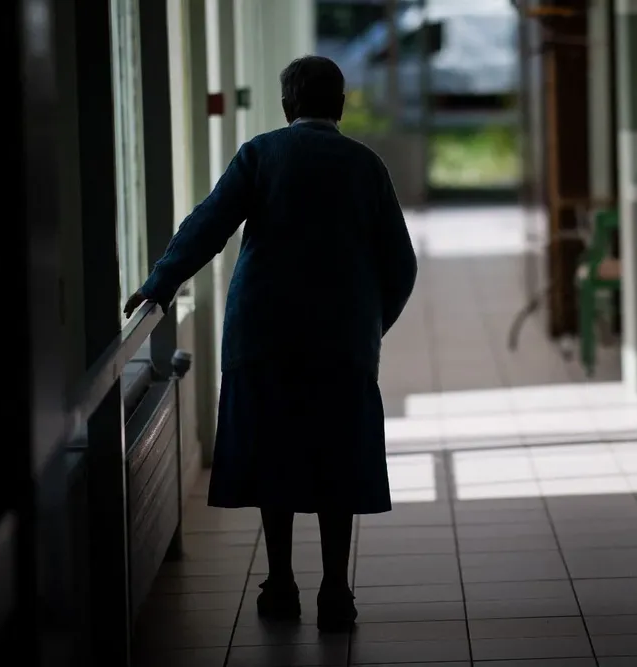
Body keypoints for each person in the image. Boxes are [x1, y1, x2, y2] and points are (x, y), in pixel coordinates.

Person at [123, 55, 417, 632]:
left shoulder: (260, 154)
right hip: (341, 340)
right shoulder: (365, 165)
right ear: (341, 105)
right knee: (336, 456)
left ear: (286, 106)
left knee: (271, 451)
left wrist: (160, 283)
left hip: (262, 333)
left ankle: (280, 583)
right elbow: (400, 264)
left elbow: (207, 225)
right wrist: (368, 325)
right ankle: (336, 591)